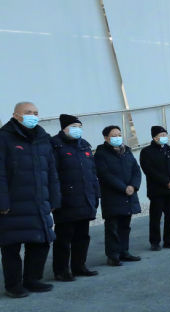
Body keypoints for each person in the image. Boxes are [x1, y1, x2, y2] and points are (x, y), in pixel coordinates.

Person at [0, 102, 60, 297]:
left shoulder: (43, 138)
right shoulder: (4, 137)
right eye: (28, 113)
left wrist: (54, 198)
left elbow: (51, 171)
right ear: (16, 115)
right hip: (13, 203)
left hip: (38, 201)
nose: (33, 116)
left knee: (41, 242)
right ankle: (13, 285)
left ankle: (33, 279)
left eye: (36, 113)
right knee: (11, 246)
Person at [50, 114, 100, 281]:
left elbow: (92, 173)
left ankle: (79, 266)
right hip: (66, 200)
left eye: (79, 126)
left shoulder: (84, 145)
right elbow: (52, 175)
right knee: (64, 238)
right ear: (64, 128)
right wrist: (55, 199)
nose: (77, 129)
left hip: (85, 198)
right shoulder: (55, 145)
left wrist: (95, 194)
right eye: (73, 126)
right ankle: (61, 270)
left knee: (82, 236)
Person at [95, 125, 142, 266]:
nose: (117, 137)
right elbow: (104, 174)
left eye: (119, 134)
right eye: (113, 135)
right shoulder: (101, 153)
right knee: (112, 227)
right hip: (113, 196)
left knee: (125, 226)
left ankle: (124, 252)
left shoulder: (126, 150)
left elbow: (136, 169)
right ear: (106, 138)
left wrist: (133, 186)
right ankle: (113, 255)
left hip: (129, 195)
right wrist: (123, 188)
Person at [139, 125, 170, 250]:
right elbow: (149, 170)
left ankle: (169, 239)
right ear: (154, 137)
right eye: (161, 135)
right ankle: (155, 242)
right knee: (156, 217)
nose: (164, 137)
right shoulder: (146, 152)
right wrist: (166, 182)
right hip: (157, 190)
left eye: (165, 135)